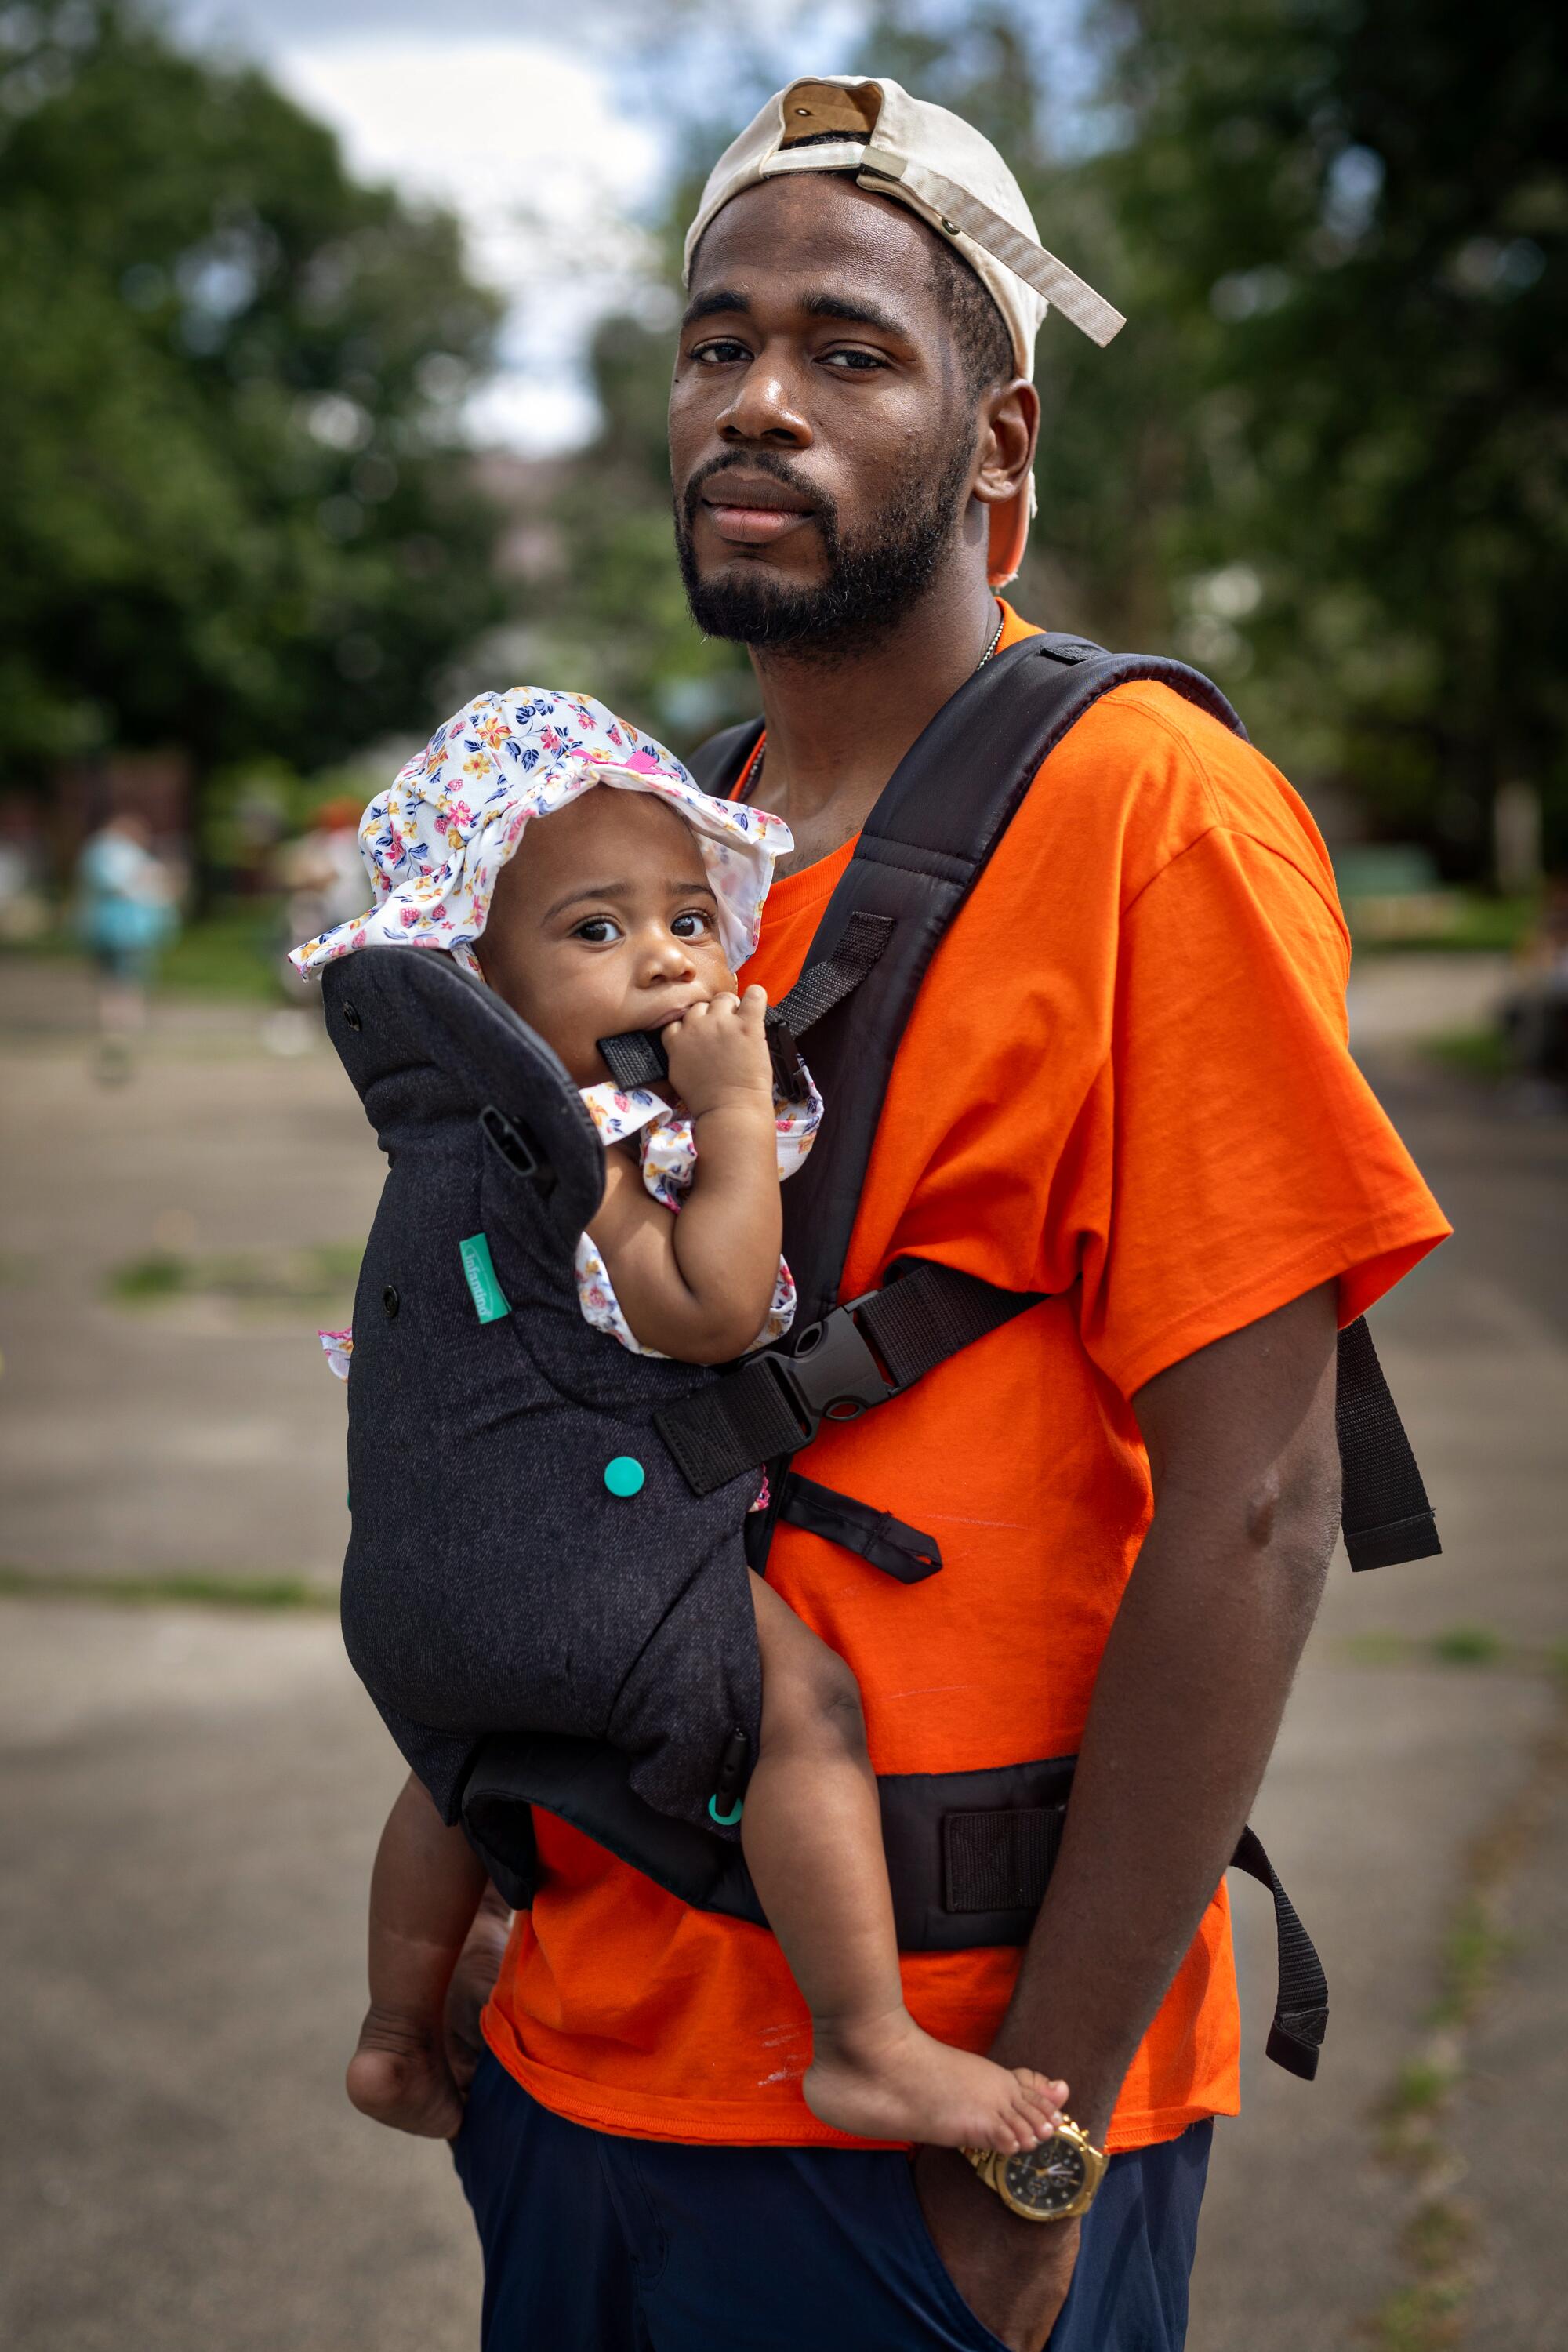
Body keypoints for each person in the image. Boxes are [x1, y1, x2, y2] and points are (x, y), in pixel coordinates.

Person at [359, 76, 1450, 2352]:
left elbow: (1254, 1508)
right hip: (581, 2043)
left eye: (850, 352)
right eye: (714, 341)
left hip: (923, 2130)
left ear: (998, 447)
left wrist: (1029, 2143)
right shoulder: (672, 851)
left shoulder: (1153, 814)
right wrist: (495, 1831)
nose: (757, 400)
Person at [294, 695, 1066, 2160]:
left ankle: (396, 2040)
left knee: (460, 1770)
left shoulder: (444, 1144)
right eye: (594, 932)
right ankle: (868, 2044)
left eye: (693, 919)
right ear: (479, 986)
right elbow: (702, 1308)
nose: (664, 956)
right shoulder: (575, 1142)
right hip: (583, 1573)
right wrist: (726, 1117)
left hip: (417, 1599)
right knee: (805, 1715)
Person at [74, 809, 176, 1078]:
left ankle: (112, 1033)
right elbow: (146, 889)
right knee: (128, 982)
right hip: (129, 930)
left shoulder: (95, 852)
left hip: (104, 929)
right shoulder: (127, 856)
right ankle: (124, 1034)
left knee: (110, 982)